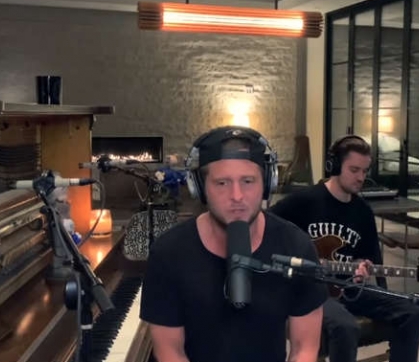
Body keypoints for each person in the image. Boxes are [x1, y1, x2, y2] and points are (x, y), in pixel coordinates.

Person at [140, 126, 328, 362]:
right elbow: (169, 352)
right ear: (199, 188)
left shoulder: (296, 246)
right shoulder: (168, 253)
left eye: (248, 181)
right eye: (222, 183)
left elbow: (304, 349)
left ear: (267, 184)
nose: (237, 196)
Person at [269, 135, 419, 362]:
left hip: (348, 288)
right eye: (354, 170)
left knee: (413, 312)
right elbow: (265, 225)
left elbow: (368, 258)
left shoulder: (362, 212)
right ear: (334, 166)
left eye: (364, 171)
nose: (361, 177)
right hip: (310, 290)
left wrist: (362, 268)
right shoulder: (304, 201)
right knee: (345, 326)